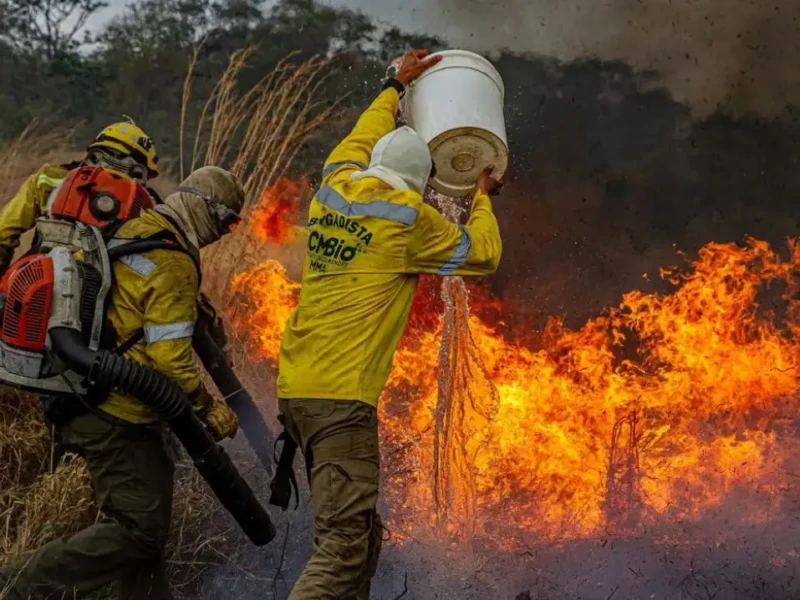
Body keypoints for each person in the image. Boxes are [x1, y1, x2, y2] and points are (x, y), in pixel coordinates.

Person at [276, 49, 504, 599]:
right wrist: (481, 198)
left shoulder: (334, 188)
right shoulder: (408, 221)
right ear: (423, 183)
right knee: (340, 552)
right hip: (340, 403)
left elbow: (361, 135)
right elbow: (484, 254)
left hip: (298, 394)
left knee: (362, 538)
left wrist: (393, 87)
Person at [0, 166, 243, 600]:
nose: (225, 232)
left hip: (88, 397)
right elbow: (170, 359)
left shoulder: (140, 227)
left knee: (147, 539)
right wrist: (209, 408)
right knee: (140, 532)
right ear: (206, 208)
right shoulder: (171, 259)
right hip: (118, 413)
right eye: (227, 220)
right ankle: (19, 587)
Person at [0, 119, 160, 274]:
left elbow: (4, 231)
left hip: (36, 276)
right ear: (140, 172)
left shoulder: (48, 178)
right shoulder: (149, 207)